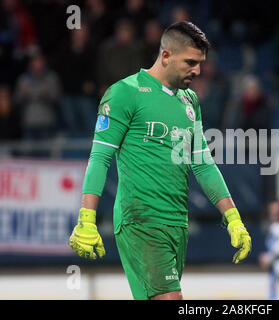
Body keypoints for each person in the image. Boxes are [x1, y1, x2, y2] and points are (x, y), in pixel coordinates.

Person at [68, 21, 252, 300]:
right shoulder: (124, 93)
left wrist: (233, 217)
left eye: (200, 63)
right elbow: (100, 157)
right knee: (170, 298)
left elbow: (203, 164)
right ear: (166, 55)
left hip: (177, 222)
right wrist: (86, 218)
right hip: (141, 218)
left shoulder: (190, 101)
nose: (198, 71)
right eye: (190, 62)